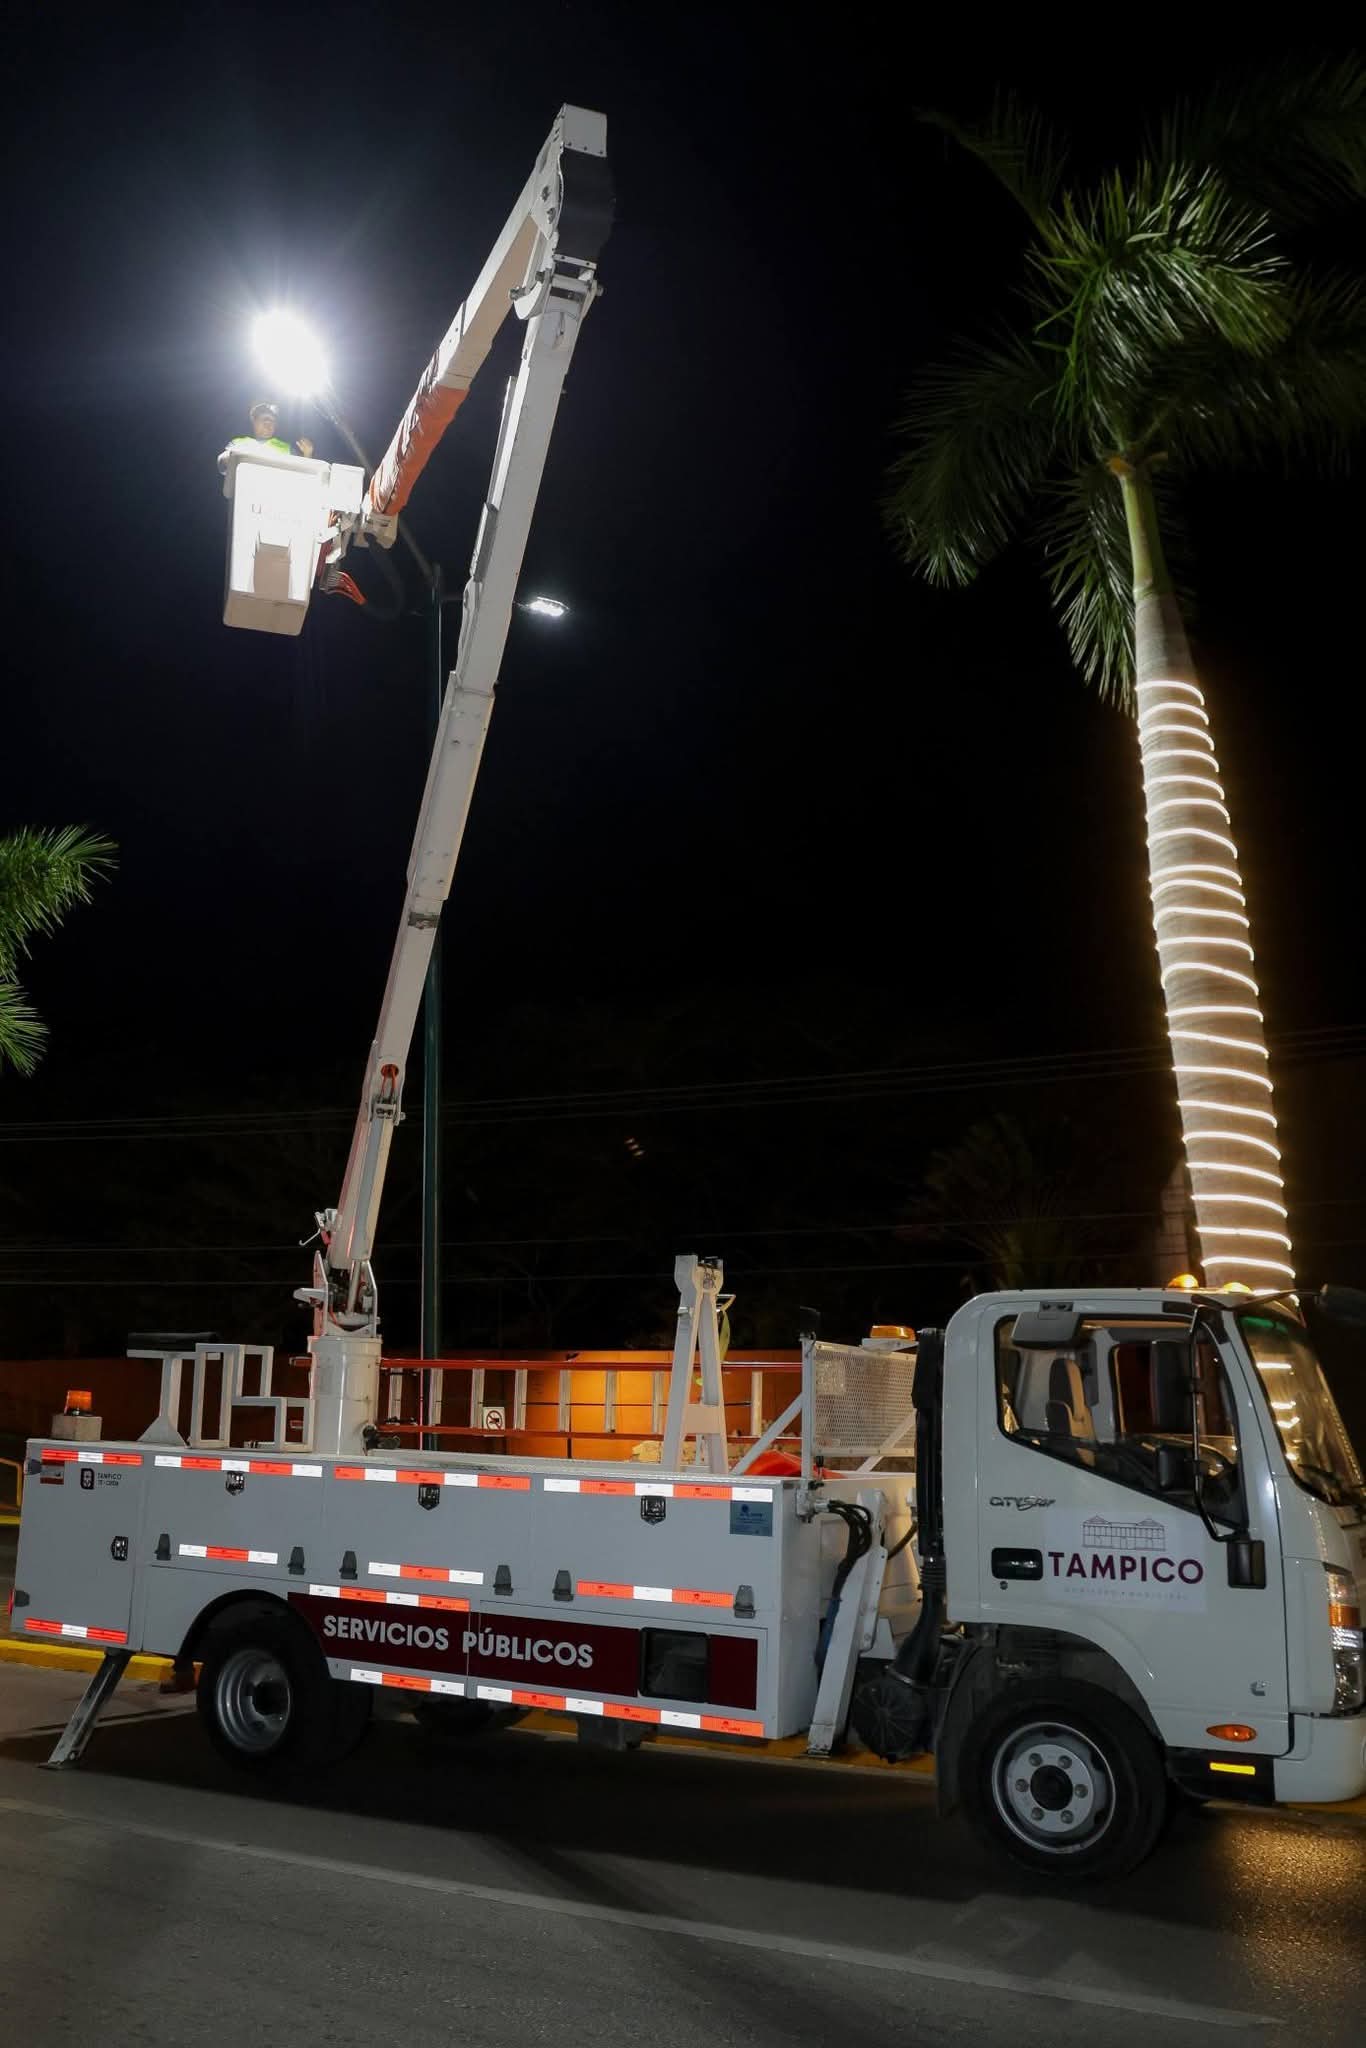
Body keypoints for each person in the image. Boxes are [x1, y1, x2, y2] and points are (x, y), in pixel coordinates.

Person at [229, 399, 312, 457]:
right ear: (254, 421)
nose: (268, 425)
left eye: (272, 421)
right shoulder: (237, 443)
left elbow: (301, 473)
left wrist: (307, 454)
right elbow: (225, 467)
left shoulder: (287, 449)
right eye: (264, 420)